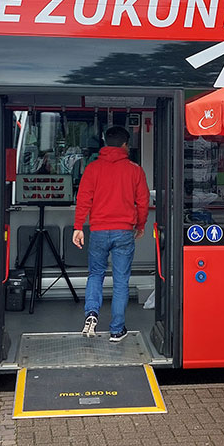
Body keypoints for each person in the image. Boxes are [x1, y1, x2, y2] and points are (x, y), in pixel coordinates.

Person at [72, 126, 150, 341]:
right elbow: (143, 202)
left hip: (98, 230)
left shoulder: (93, 168)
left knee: (95, 274)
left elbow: (83, 199)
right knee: (121, 281)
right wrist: (141, 225)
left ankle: (91, 313)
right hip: (124, 232)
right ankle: (117, 329)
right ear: (126, 144)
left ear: (105, 142)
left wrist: (78, 227)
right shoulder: (135, 170)